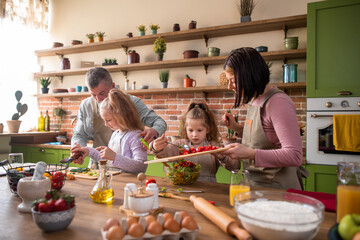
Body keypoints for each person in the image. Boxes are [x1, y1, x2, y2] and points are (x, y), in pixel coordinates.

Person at [218, 47, 306, 190]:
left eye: (233, 81)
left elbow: (294, 155)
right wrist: (236, 128)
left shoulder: (278, 102)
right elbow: (265, 136)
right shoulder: (256, 100)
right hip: (256, 186)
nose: (229, 87)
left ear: (249, 76)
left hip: (278, 190)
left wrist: (250, 154)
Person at [71, 67, 167, 168]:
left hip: (126, 170)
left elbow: (159, 122)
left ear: (113, 86)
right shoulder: (86, 105)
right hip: (98, 164)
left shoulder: (131, 103)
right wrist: (77, 151)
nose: (98, 99)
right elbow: (79, 134)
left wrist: (154, 131)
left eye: (102, 93)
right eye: (93, 95)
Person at [149, 101, 239, 182]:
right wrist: (156, 147)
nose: (194, 134)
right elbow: (167, 151)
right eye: (190, 130)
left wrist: (223, 157)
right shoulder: (180, 145)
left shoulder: (214, 146)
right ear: (185, 129)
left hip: (210, 188)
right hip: (186, 186)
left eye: (199, 130)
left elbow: (235, 167)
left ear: (207, 129)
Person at [71, 89, 147, 173]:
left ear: (121, 116)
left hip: (128, 184)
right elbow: (107, 161)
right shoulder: (115, 134)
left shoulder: (136, 136)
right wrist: (89, 151)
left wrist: (115, 157)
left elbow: (141, 166)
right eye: (104, 120)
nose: (106, 124)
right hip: (114, 182)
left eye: (109, 120)